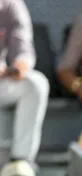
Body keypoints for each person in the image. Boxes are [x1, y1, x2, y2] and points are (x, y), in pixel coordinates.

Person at [0, 0, 50, 163]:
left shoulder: (10, 4)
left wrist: (20, 64)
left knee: (35, 83)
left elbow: (23, 50)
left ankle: (20, 162)